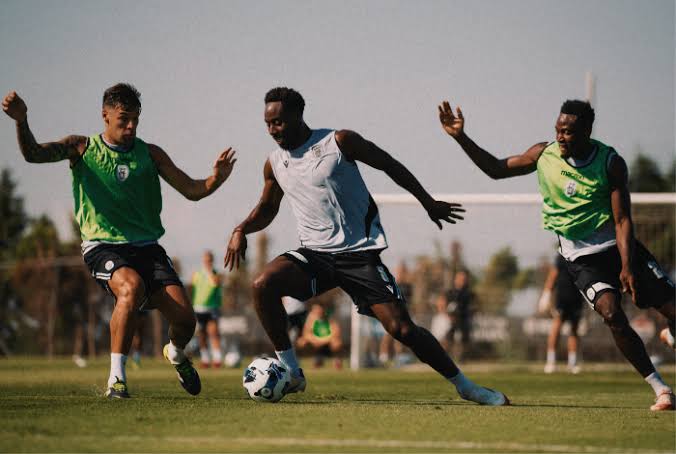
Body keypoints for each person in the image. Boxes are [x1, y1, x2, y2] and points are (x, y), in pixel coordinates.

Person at [224, 87, 509, 406]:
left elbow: (390, 165)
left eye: (278, 122)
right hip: (315, 256)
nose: (272, 130)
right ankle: (292, 372)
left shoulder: (338, 142)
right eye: (267, 123)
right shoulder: (275, 163)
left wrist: (427, 202)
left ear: (297, 115)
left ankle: (466, 387)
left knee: (402, 329)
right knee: (262, 284)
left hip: (359, 256)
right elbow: (267, 208)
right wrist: (241, 228)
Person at [439, 99, 676, 411]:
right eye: (558, 130)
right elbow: (496, 169)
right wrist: (461, 137)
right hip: (582, 260)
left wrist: (627, 265)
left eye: (568, 132)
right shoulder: (544, 154)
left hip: (618, 248)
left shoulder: (610, 162)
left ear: (587, 131)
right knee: (611, 314)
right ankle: (661, 389)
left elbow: (622, 220)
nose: (560, 137)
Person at [2, 84, 237, 398]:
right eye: (124, 118)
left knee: (185, 320)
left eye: (136, 119)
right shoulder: (80, 148)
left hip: (148, 248)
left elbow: (193, 190)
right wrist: (21, 120)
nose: (131, 126)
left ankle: (176, 353)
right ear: (105, 115)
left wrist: (216, 178)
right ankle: (117, 379)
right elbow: (33, 154)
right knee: (130, 287)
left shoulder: (150, 154)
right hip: (102, 246)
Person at [539, 255, 585, 374]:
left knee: (574, 330)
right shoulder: (562, 255)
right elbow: (553, 274)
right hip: (562, 298)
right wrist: (547, 293)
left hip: (577, 298)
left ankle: (572, 363)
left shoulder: (583, 255)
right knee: (557, 327)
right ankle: (551, 362)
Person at [191, 250, 223, 368]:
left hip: (212, 308)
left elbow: (216, 283)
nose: (207, 262)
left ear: (212, 261)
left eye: (209, 260)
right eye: (205, 260)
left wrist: (210, 272)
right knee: (201, 334)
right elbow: (192, 289)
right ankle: (205, 359)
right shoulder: (197, 274)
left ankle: (217, 359)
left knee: (213, 332)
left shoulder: (216, 274)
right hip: (198, 308)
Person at [296, 302, 343, 369]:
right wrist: (314, 340)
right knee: (301, 342)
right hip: (314, 342)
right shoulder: (310, 320)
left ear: (323, 310)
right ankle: (303, 361)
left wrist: (321, 341)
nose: (317, 312)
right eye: (314, 310)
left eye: (318, 310)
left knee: (337, 342)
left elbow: (335, 333)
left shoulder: (330, 318)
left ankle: (337, 361)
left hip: (326, 342)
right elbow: (306, 334)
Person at [445, 270, 474, 360]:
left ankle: (463, 357)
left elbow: (473, 306)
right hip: (451, 318)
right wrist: (449, 315)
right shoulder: (450, 292)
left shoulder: (469, 293)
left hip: (464, 318)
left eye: (464, 279)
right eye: (460, 279)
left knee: (465, 337)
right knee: (449, 336)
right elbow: (444, 304)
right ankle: (446, 355)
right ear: (455, 280)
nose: (462, 281)